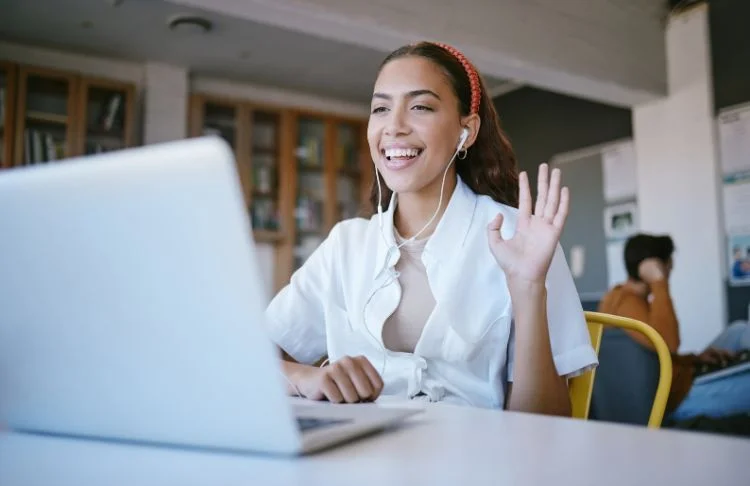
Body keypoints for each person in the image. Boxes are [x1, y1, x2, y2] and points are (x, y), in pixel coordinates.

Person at [263, 41, 598, 415]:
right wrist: (304, 378)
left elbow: (545, 428)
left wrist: (529, 290)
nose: (394, 127)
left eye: (420, 106)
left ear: (466, 131)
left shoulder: (523, 238)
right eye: (381, 108)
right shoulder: (346, 244)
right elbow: (246, 357)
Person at [598, 233, 750, 422]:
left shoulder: (620, 297)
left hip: (676, 379)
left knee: (737, 330)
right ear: (655, 265)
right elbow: (669, 343)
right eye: (669, 263)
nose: (671, 269)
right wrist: (659, 283)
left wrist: (694, 359)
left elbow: (653, 355)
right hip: (675, 397)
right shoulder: (626, 304)